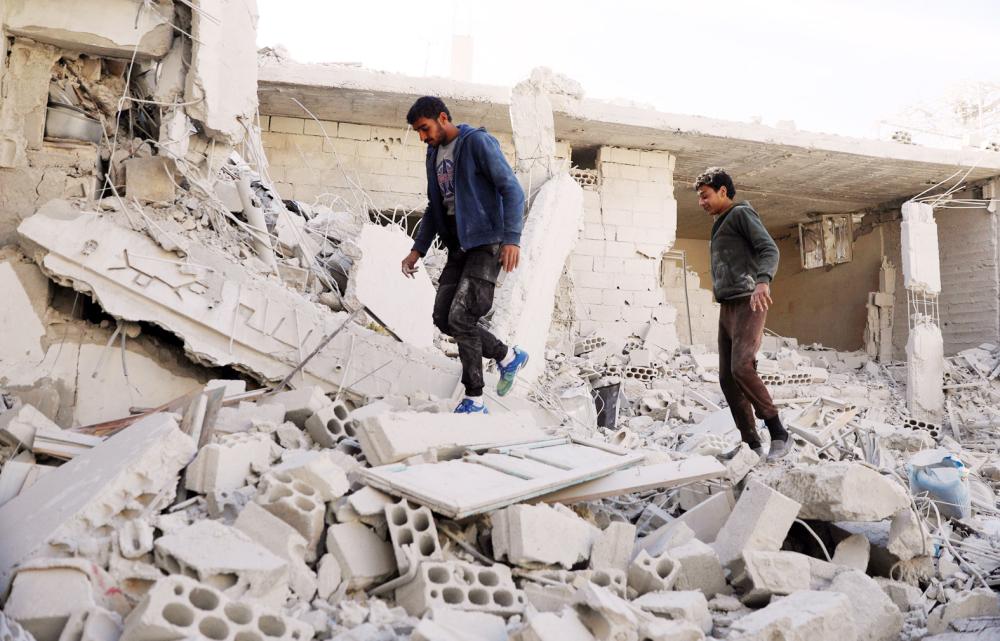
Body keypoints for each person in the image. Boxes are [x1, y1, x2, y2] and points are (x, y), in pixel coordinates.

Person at [400, 96, 529, 414]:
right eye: (418, 132)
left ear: (443, 118)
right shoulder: (433, 154)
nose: (423, 137)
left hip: (486, 243)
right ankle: (508, 356)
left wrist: (512, 239)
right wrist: (418, 249)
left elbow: (511, 189)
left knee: (462, 316)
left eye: (425, 129)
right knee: (443, 318)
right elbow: (434, 207)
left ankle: (475, 399)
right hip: (458, 246)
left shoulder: (477, 143)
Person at [695, 167, 792, 461]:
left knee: (741, 367)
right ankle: (751, 446)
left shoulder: (740, 214)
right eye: (699, 197)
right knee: (727, 378)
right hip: (728, 306)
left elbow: (769, 249)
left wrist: (763, 282)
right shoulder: (720, 222)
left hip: (749, 302)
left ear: (723, 191)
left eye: (705, 196)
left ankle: (778, 432)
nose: (701, 202)